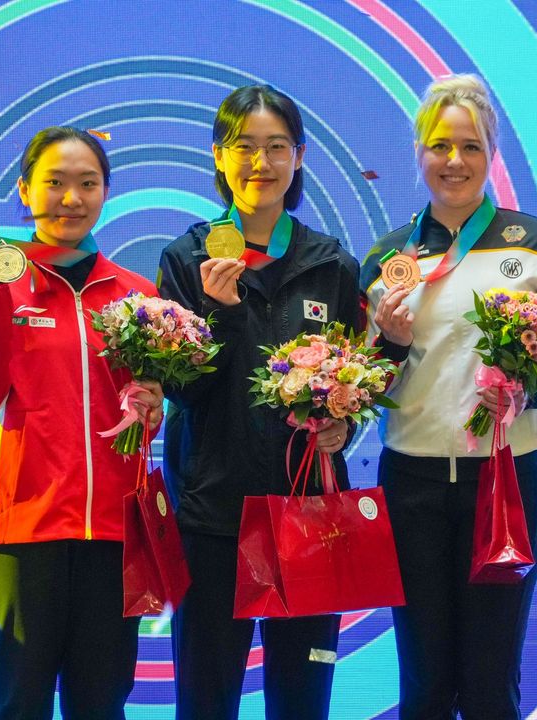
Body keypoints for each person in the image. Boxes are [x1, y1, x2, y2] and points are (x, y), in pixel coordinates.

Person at [361, 75, 537, 719]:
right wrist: (386, 344)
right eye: (440, 145)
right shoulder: (390, 257)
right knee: (424, 680)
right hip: (411, 481)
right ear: (419, 153)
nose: (455, 162)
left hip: (508, 481)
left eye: (470, 146)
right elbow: (357, 387)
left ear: (491, 152)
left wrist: (529, 392)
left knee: (492, 678)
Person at [156, 84, 364, 720]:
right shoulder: (187, 259)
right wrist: (217, 315)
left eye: (277, 146)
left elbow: (354, 382)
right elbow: (182, 391)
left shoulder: (332, 265)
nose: (261, 163)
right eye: (244, 147)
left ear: (298, 158)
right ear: (218, 157)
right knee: (205, 698)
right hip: (213, 512)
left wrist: (342, 429)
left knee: (303, 703)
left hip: (308, 513)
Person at [0, 126, 163, 720]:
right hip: (20, 532)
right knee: (18, 703)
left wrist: (151, 407)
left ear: (105, 194)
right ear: (25, 190)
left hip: (112, 536)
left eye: (87, 184)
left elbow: (140, 420)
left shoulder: (136, 296)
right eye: (55, 183)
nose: (71, 199)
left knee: (100, 706)